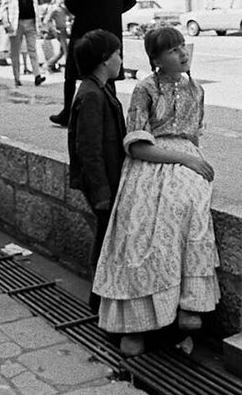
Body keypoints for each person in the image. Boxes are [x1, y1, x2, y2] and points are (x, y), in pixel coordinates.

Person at [93, 25, 219, 356]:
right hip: (150, 158)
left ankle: (189, 303)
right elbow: (137, 147)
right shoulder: (145, 89)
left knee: (190, 203)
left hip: (186, 159)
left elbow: (193, 136)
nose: (182, 53)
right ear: (156, 59)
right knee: (141, 224)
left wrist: (193, 161)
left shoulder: (196, 90)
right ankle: (135, 323)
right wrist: (184, 159)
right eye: (172, 50)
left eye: (183, 46)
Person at [66, 29, 126, 316]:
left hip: (108, 179)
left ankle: (100, 296)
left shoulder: (99, 89)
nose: (121, 59)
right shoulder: (91, 95)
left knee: (106, 235)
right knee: (105, 238)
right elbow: (88, 148)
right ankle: (98, 299)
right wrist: (101, 192)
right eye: (117, 54)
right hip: (102, 183)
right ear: (104, 60)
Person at [50, 0, 136, 127]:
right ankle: (112, 115)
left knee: (72, 74)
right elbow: (130, 0)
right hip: (110, 34)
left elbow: (70, 2)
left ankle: (67, 113)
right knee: (108, 75)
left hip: (86, 31)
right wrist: (111, 12)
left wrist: (87, 11)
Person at [0, 0, 46, 87]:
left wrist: (39, 21)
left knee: (32, 49)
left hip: (30, 21)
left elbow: (35, 4)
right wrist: (6, 22)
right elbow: (4, 6)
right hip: (16, 23)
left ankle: (37, 75)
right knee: (15, 52)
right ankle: (17, 77)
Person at [42, 0, 70, 73]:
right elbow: (47, 20)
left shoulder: (63, 9)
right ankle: (69, 68)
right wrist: (53, 29)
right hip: (59, 30)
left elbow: (71, 15)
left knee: (62, 51)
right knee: (66, 50)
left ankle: (49, 64)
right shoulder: (55, 9)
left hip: (64, 30)